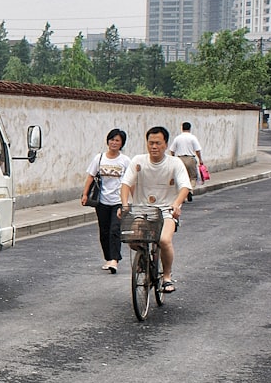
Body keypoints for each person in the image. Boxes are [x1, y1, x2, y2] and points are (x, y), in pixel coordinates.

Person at [119, 126, 192, 294]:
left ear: (165, 144)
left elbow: (185, 187)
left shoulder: (174, 163)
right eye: (150, 143)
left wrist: (176, 204)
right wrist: (124, 204)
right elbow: (125, 183)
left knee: (164, 241)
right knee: (131, 239)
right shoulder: (138, 161)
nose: (154, 146)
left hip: (166, 211)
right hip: (141, 211)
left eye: (158, 143)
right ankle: (143, 257)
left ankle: (166, 277)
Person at [80, 129, 130, 274]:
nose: (114, 143)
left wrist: (133, 199)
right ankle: (108, 258)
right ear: (108, 141)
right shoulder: (99, 158)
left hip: (118, 201)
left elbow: (130, 181)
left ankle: (114, 260)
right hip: (102, 201)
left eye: (117, 140)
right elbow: (91, 176)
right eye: (112, 139)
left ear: (122, 143)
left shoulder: (125, 161)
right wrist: (85, 194)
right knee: (104, 231)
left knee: (115, 230)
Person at [168, 121, 205, 202]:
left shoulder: (177, 138)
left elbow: (172, 150)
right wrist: (200, 160)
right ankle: (189, 191)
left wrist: (173, 158)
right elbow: (197, 150)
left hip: (180, 159)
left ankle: (182, 195)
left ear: (182, 128)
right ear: (190, 128)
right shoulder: (192, 138)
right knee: (192, 177)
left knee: (181, 178)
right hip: (190, 159)